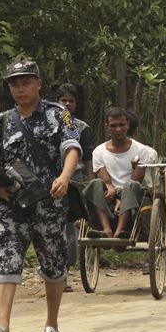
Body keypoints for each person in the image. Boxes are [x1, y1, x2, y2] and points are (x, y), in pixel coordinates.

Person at [0, 61, 81, 332]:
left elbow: (72, 147)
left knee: (53, 261)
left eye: (25, 82)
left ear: (38, 83)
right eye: (14, 83)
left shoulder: (57, 114)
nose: (20, 88)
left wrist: (64, 176)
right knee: (7, 255)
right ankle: (2, 326)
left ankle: (52, 323)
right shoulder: (1, 121)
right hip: (12, 205)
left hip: (49, 202)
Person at [83, 107, 152, 239]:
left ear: (128, 125)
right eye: (113, 125)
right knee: (94, 183)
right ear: (107, 127)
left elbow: (136, 179)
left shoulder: (141, 150)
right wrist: (112, 191)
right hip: (108, 197)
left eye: (121, 125)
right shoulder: (99, 151)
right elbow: (105, 181)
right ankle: (106, 229)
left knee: (131, 185)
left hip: (132, 197)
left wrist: (121, 199)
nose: (118, 129)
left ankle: (119, 231)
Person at [55, 83, 94, 292]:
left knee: (70, 230)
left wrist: (89, 181)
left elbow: (87, 156)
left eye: (71, 101)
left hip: (74, 183)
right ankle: (54, 274)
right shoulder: (47, 124)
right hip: (49, 183)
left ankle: (64, 274)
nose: (67, 104)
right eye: (64, 100)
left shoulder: (82, 127)